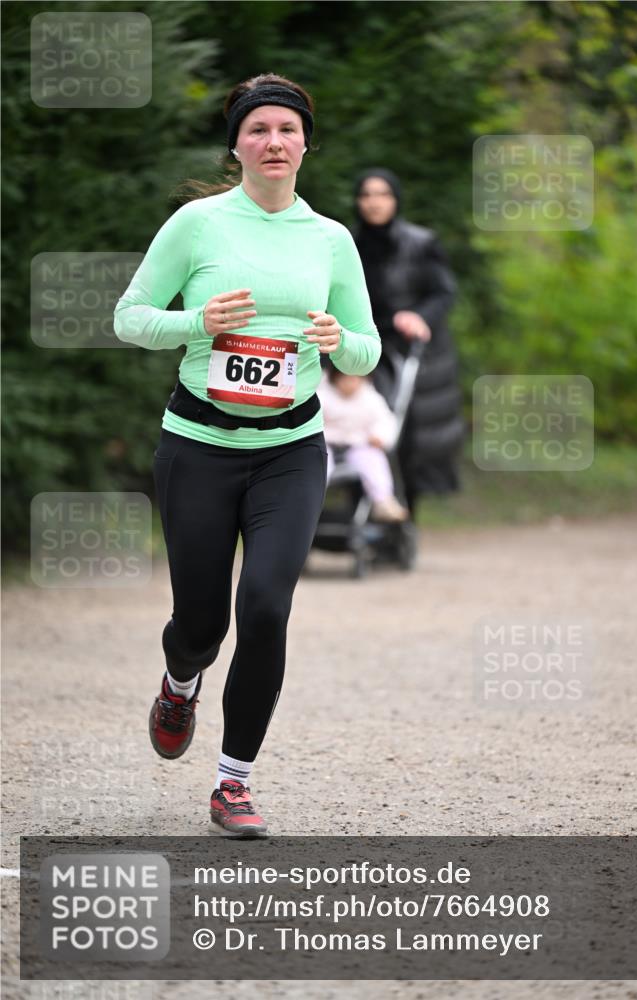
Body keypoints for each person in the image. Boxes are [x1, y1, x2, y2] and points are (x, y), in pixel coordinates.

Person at [113, 73, 381, 837]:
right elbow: (130, 317)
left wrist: (337, 342)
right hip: (196, 447)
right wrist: (197, 321)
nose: (274, 142)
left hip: (289, 452)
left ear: (304, 144)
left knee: (263, 607)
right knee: (200, 623)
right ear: (236, 144)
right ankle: (178, 682)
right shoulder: (197, 225)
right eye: (258, 128)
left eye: (287, 130)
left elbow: (364, 350)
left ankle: (233, 781)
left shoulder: (330, 238)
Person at [352, 168, 463, 517]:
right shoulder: (347, 243)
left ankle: (406, 518)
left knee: (409, 438)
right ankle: (363, 512)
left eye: (382, 194)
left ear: (395, 200)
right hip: (366, 349)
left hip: (413, 351)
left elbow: (443, 292)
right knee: (360, 427)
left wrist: (419, 316)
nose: (374, 202)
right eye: (367, 195)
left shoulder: (421, 243)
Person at [318, 366, 408, 522]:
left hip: (359, 444)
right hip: (327, 443)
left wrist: (380, 436)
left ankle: (383, 501)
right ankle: (312, 499)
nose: (350, 384)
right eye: (345, 379)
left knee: (374, 462)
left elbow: (385, 421)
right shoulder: (322, 394)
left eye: (354, 379)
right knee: (318, 465)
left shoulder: (370, 398)